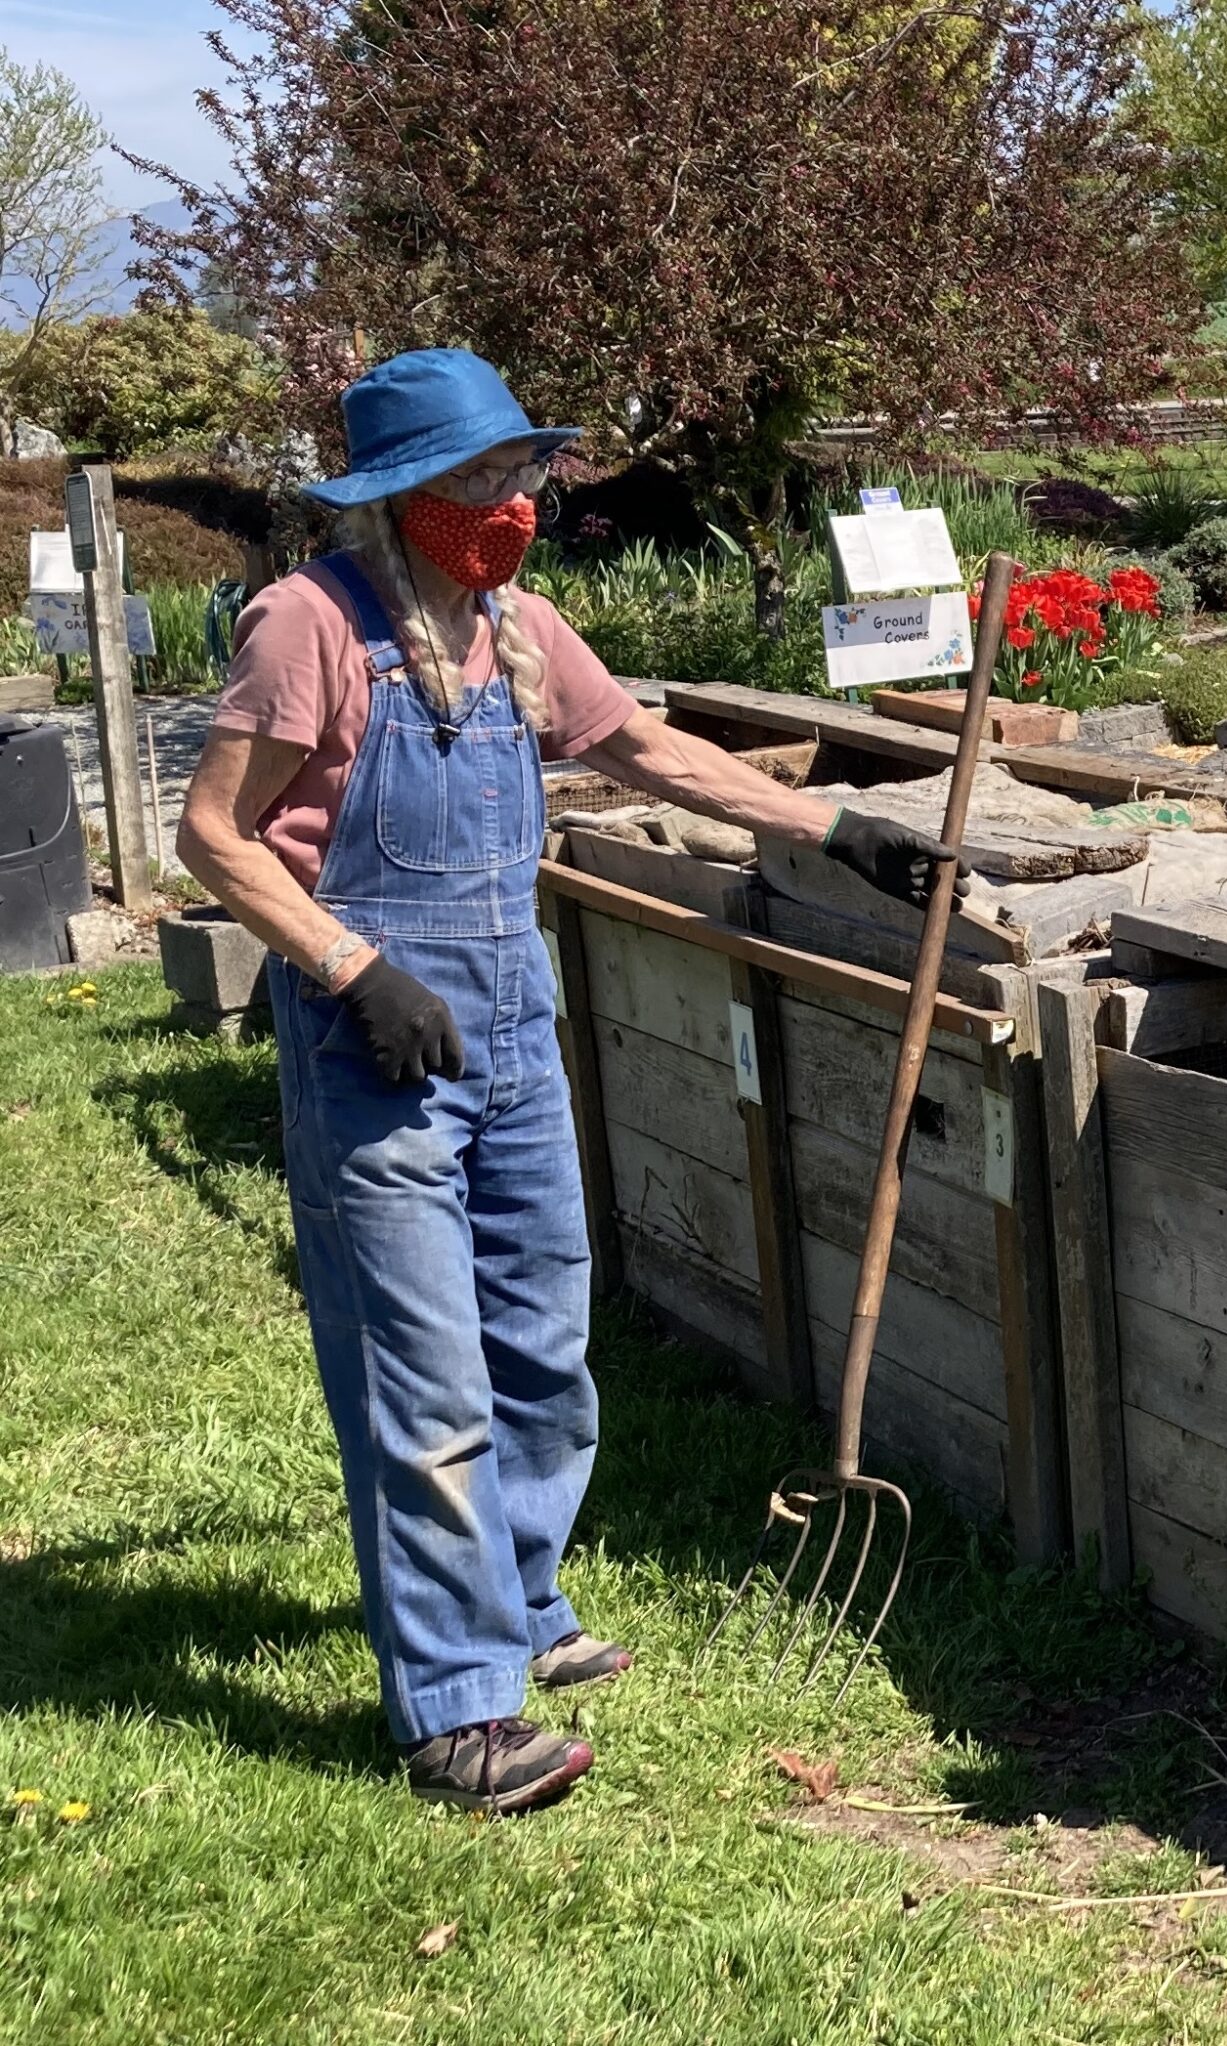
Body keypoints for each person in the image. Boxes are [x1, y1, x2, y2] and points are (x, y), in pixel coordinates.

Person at [177, 349, 949, 1816]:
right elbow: (212, 836)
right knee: (425, 1375)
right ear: (402, 496)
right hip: (378, 1046)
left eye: (520, 473)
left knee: (542, 1342)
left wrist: (831, 822)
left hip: (515, 1036)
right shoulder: (310, 626)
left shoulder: (517, 627)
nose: (513, 504)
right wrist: (353, 969)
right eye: (480, 480)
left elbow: (643, 748)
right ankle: (456, 1711)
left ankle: (519, 1598)